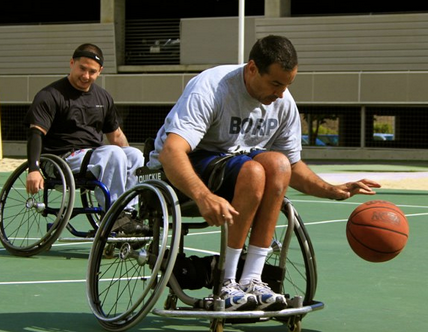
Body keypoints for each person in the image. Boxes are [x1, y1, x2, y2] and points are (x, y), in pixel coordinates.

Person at [148, 35, 381, 311]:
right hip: (187, 165)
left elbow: (292, 167)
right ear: (252, 69)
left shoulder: (282, 102)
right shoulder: (211, 88)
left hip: (238, 167)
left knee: (278, 163)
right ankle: (226, 280)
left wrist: (332, 190)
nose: (281, 93)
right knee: (254, 172)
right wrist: (202, 196)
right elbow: (171, 152)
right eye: (275, 83)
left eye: (287, 84)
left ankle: (252, 279)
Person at [25, 43, 146, 234]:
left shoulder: (103, 97)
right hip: (62, 160)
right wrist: (33, 169)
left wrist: (128, 160)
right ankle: (115, 216)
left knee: (135, 155)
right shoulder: (50, 95)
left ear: (100, 72)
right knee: (113, 153)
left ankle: (128, 213)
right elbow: (35, 133)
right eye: (82, 68)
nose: (86, 76)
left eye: (92, 72)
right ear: (72, 63)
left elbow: (116, 136)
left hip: (94, 157)